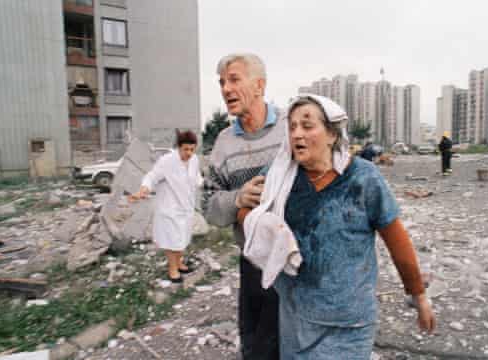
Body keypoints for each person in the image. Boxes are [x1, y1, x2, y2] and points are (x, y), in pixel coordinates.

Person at [239, 95, 436, 359]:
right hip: (297, 320)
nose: (297, 134)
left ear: (332, 134)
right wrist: (254, 216)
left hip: (349, 324)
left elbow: (395, 237)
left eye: (307, 126)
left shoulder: (363, 178)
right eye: (292, 126)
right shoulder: (277, 175)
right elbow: (246, 212)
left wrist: (418, 295)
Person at [204, 53, 283, 359]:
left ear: (259, 85)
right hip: (254, 261)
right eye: (222, 82)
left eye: (234, 79)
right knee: (255, 346)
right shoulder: (223, 144)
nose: (225, 88)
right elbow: (207, 205)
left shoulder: (292, 128)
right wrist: (238, 201)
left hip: (298, 259)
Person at [132, 130, 203, 282]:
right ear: (179, 147)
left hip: (186, 207)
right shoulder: (167, 161)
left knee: (182, 238)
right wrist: (143, 190)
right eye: (186, 149)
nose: (189, 153)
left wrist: (202, 183)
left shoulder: (194, 159)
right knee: (171, 240)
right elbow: (152, 176)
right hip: (169, 208)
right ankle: (172, 269)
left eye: (192, 149)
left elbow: (196, 176)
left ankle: (179, 263)